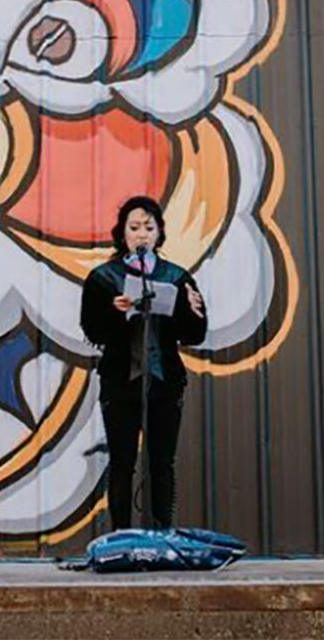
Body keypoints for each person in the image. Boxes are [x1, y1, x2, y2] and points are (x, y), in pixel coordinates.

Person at [79, 195, 208, 530]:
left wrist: (192, 310)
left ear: (159, 234)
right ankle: (121, 534)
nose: (141, 235)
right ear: (122, 233)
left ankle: (162, 532)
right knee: (122, 462)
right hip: (120, 383)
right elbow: (92, 331)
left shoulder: (176, 276)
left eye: (149, 228)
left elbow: (194, 335)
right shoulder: (103, 278)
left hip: (164, 382)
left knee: (162, 463)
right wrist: (114, 311)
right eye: (134, 227)